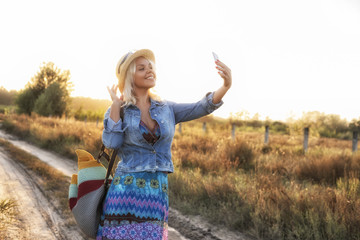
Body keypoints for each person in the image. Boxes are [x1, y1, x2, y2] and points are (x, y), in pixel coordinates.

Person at [96, 49, 232, 240]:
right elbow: (112, 142)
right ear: (128, 77)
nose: (149, 71)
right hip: (124, 194)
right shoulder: (119, 110)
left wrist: (226, 85)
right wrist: (116, 108)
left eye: (150, 67)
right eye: (141, 68)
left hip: (156, 194)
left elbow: (201, 107)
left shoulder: (167, 108)